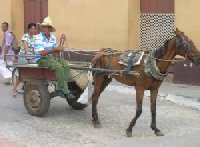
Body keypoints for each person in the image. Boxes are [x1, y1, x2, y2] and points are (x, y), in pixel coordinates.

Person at [34, 16, 75, 100]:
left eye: (46, 27)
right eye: (43, 26)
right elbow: (42, 53)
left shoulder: (53, 38)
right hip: (41, 59)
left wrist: (61, 41)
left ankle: (60, 89)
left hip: (51, 58)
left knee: (66, 65)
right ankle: (66, 92)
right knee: (58, 66)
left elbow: (57, 50)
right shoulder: (38, 37)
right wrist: (55, 49)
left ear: (49, 28)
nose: (44, 28)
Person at [12, 23, 37, 97]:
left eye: (34, 29)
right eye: (31, 28)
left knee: (34, 70)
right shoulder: (25, 36)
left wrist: (33, 55)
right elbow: (26, 47)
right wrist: (27, 56)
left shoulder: (34, 37)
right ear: (28, 29)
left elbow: (33, 48)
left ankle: (26, 86)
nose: (33, 30)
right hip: (23, 56)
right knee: (22, 73)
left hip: (31, 56)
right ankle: (14, 88)